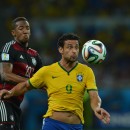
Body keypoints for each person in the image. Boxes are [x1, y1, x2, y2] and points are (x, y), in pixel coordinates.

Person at [0, 33, 110, 130]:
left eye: (76, 47)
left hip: (76, 126)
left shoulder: (86, 71)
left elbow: (94, 96)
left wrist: (97, 108)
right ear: (60, 49)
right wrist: (11, 92)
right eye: (70, 47)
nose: (74, 51)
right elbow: (25, 86)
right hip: (53, 125)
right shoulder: (47, 71)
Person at [0, 17, 43, 130]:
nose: (25, 31)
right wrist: (30, 82)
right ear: (13, 32)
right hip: (4, 99)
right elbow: (5, 74)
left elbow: (43, 80)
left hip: (17, 102)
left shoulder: (34, 55)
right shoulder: (9, 47)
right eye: (21, 28)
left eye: (27, 28)